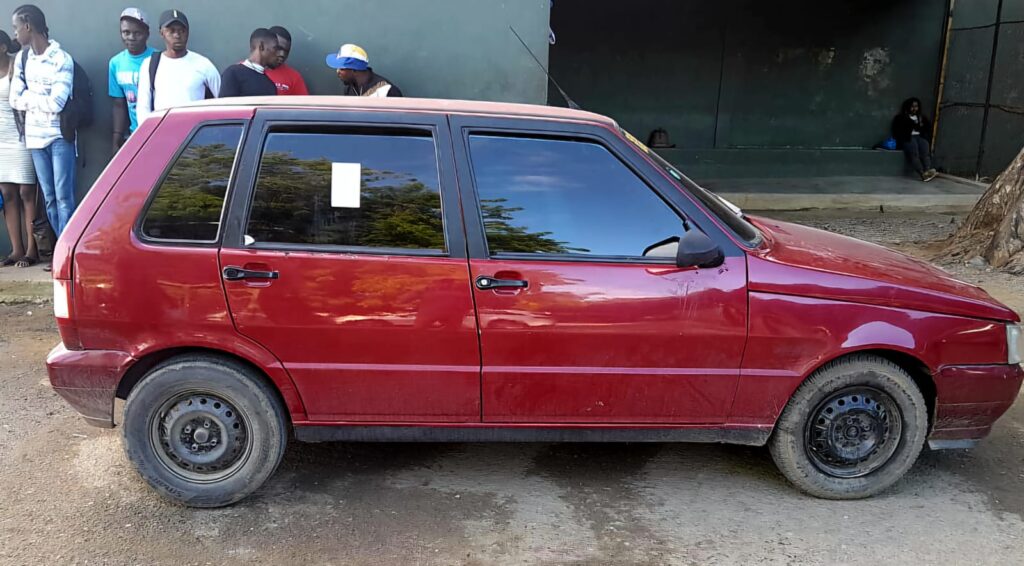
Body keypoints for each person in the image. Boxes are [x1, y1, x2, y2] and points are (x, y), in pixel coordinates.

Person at [9, 4, 76, 244]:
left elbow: (58, 103)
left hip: (59, 137)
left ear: (28, 26)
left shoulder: (61, 58)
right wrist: (41, 99)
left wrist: (30, 99)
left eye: (16, 27)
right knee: (48, 197)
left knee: (64, 197)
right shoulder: (22, 59)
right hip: (34, 138)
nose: (14, 32)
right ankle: (60, 249)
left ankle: (68, 251)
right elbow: (15, 99)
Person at [136, 9, 220, 125]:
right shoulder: (150, 64)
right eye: (171, 31)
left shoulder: (203, 64)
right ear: (162, 33)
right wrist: (147, 135)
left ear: (188, 32)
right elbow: (143, 108)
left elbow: (222, 102)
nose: (177, 35)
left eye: (182, 30)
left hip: (194, 135)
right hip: (162, 133)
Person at [0, 30, 39, 267]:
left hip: (20, 136)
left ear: (3, 47)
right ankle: (16, 249)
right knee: (7, 193)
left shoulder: (17, 67)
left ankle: (33, 250)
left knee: (27, 192)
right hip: (0, 140)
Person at [108, 7, 155, 154]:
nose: (131, 38)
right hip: (135, 133)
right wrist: (117, 138)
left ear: (147, 34)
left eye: (137, 33)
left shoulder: (158, 59)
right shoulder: (116, 63)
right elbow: (118, 104)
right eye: (126, 32)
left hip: (159, 130)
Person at [219, 28, 279, 98]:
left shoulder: (270, 85)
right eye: (275, 48)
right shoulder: (233, 74)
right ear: (261, 47)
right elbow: (226, 107)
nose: (278, 54)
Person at [325, 44, 402, 97]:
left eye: (341, 69)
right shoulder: (349, 89)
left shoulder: (387, 90)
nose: (337, 72)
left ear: (354, 71)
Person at [893, 97, 937, 182]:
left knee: (925, 149)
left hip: (919, 137)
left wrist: (920, 126)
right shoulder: (901, 117)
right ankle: (922, 174)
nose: (914, 109)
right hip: (908, 138)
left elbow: (927, 128)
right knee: (914, 152)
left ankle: (927, 170)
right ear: (907, 107)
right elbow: (899, 131)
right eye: (912, 106)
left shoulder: (921, 117)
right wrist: (913, 125)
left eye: (916, 106)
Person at [265, 26, 308, 96]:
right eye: (278, 48)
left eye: (286, 51)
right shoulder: (243, 71)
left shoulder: (294, 77)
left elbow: (303, 105)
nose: (282, 54)